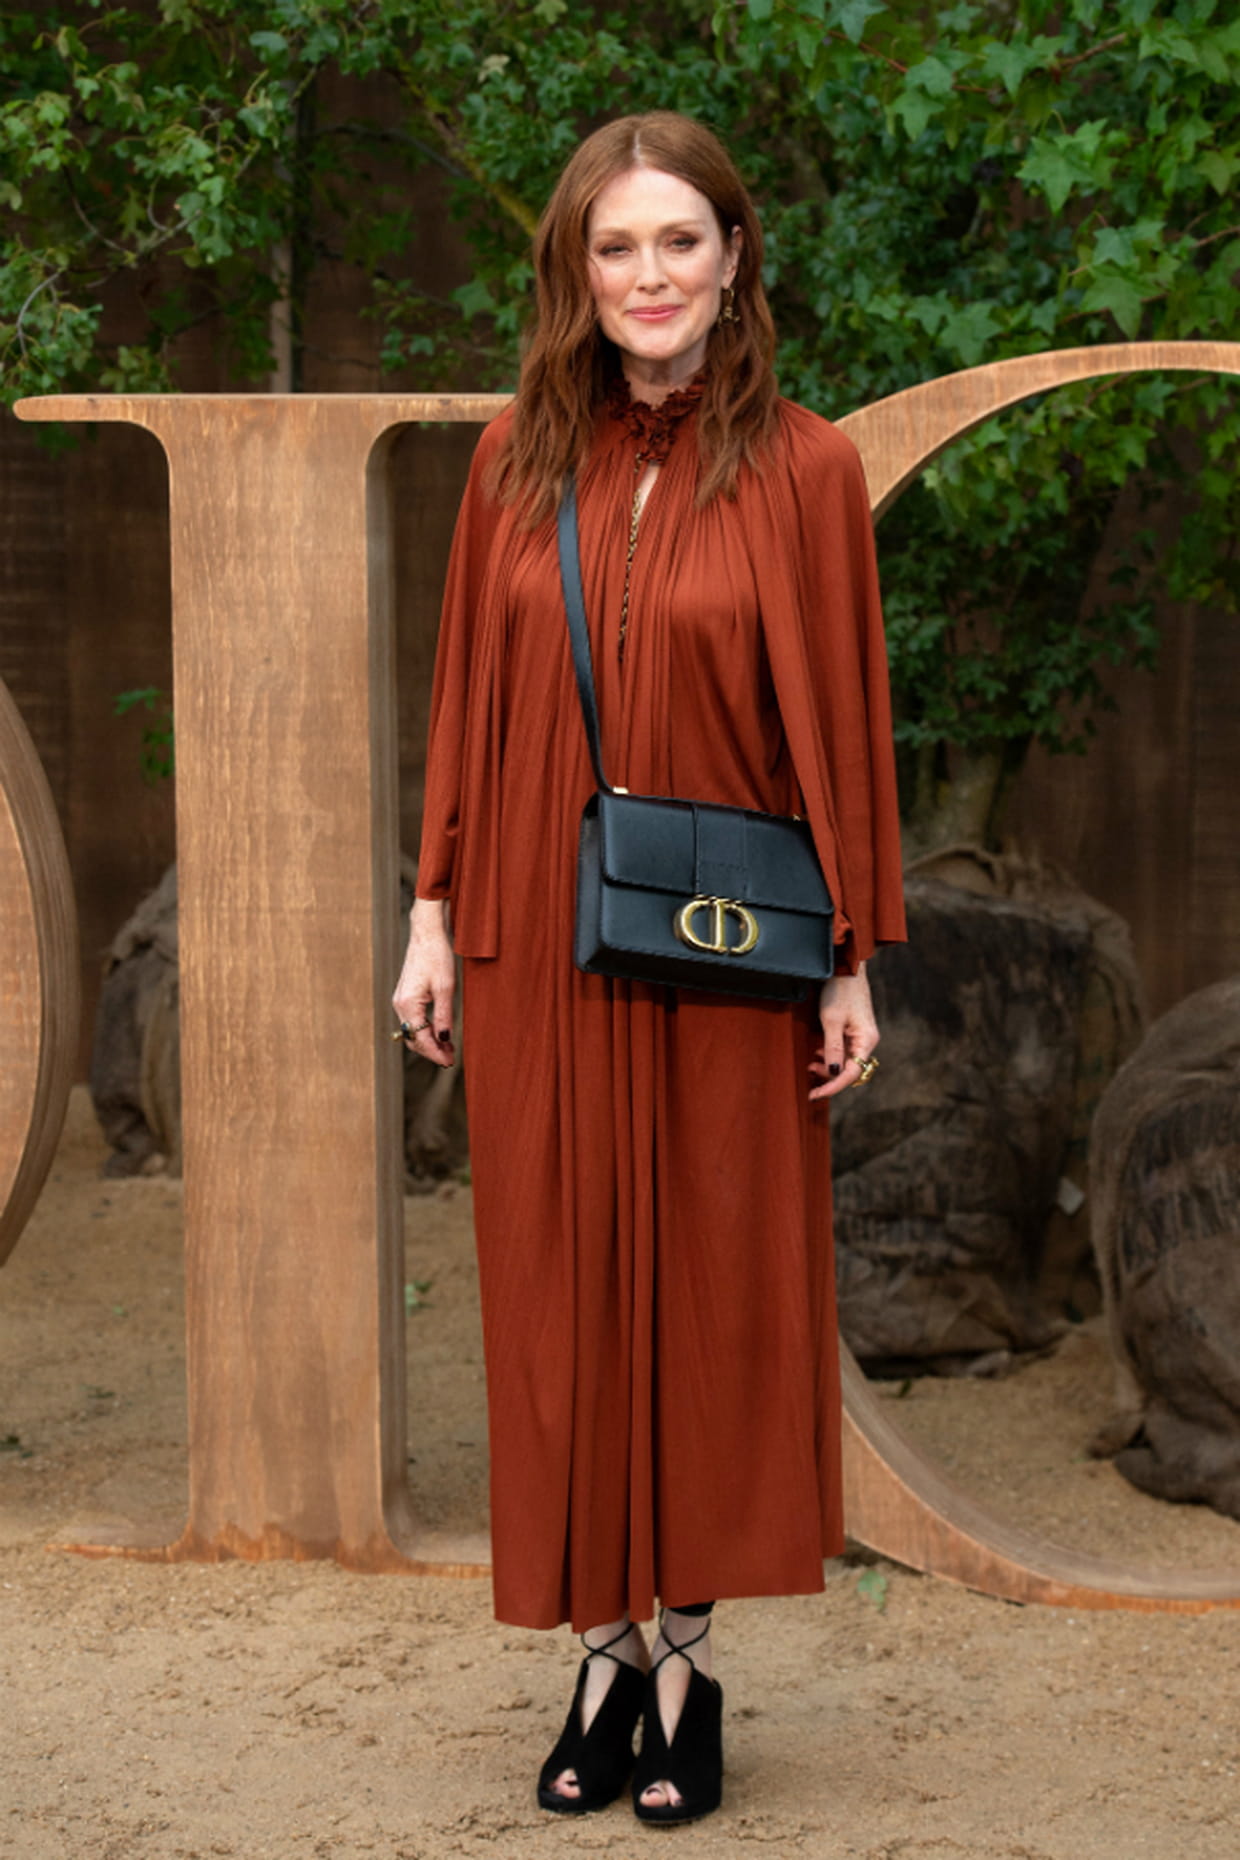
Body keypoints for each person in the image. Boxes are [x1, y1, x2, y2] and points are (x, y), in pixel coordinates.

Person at [392, 111, 905, 1825]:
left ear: (735, 256)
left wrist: (848, 962)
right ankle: (600, 1652)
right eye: (615, 247)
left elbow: (845, 729)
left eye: (680, 240)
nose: (650, 274)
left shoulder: (808, 471)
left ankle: (682, 1661)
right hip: (538, 940)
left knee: (708, 1292)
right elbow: (466, 699)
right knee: (561, 1293)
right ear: (576, 272)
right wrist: (431, 916)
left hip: (725, 950)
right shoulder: (513, 461)